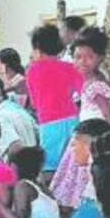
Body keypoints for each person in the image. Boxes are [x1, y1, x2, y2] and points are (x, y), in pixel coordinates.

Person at [25, 25, 83, 179]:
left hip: (48, 121)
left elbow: (34, 103)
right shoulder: (70, 67)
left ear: (37, 48)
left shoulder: (32, 70)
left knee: (50, 167)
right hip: (72, 118)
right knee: (73, 164)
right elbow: (83, 90)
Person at [51, 119, 110, 212]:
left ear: (88, 147)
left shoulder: (100, 177)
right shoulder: (98, 170)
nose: (71, 151)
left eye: (74, 145)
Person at [73, 28, 110, 126]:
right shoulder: (85, 83)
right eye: (78, 57)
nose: (82, 62)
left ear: (100, 58)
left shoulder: (96, 86)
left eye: (90, 57)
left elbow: (108, 115)